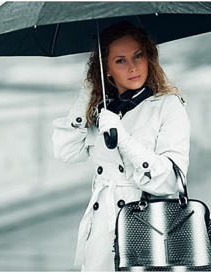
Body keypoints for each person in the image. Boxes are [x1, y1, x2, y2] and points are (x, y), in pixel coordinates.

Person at [52, 22, 190, 271]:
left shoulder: (168, 106)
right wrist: (86, 94)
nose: (133, 67)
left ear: (149, 57)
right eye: (120, 61)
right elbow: (65, 152)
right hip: (102, 230)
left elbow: (171, 180)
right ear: (106, 70)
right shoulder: (100, 110)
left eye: (138, 56)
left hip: (150, 227)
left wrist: (124, 139)